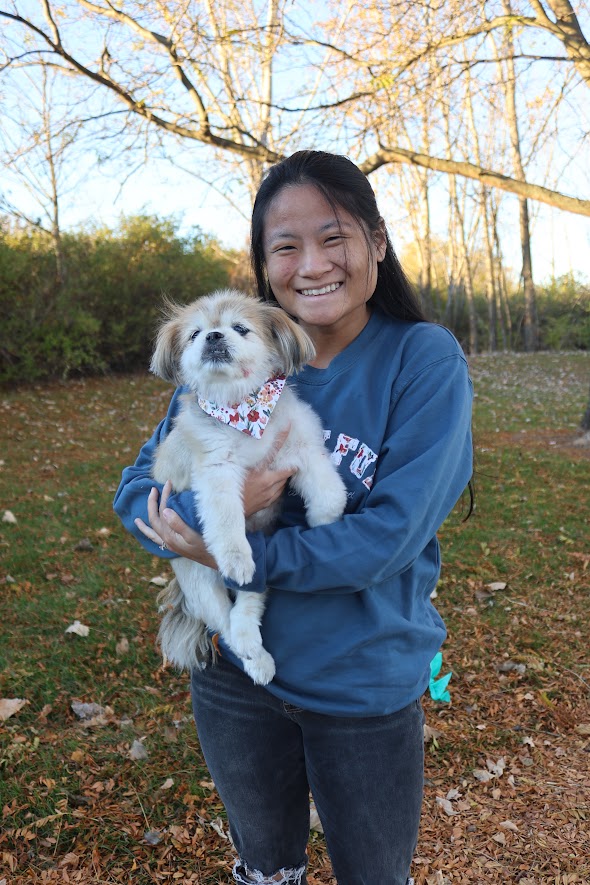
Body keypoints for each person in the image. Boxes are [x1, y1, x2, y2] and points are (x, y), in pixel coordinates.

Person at [113, 150, 473, 885]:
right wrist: (215, 517)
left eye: (334, 236)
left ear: (376, 241)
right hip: (235, 674)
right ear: (264, 262)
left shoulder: (421, 359)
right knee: (266, 869)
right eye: (286, 246)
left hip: (359, 682)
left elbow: (387, 537)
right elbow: (134, 495)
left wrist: (232, 550)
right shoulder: (241, 358)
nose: (312, 264)